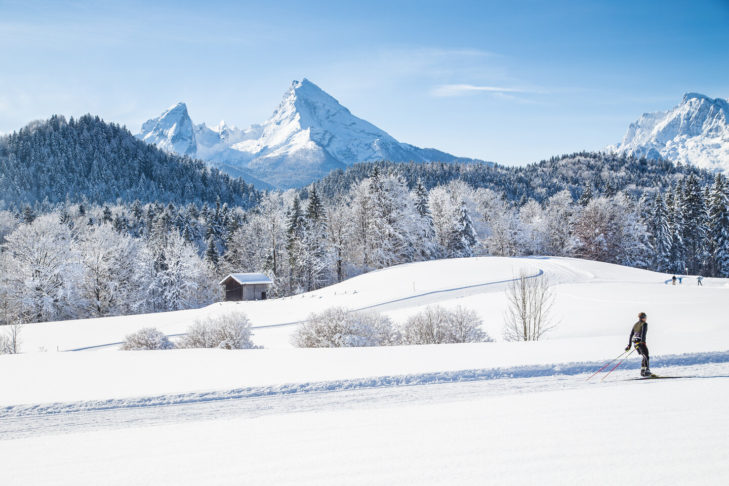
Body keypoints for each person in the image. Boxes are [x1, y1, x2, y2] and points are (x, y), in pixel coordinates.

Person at [626, 312, 651, 377]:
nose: (646, 318)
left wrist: (629, 345)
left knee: (644, 356)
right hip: (640, 342)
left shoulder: (635, 324)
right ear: (643, 318)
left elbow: (631, 335)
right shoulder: (644, 324)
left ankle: (643, 371)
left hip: (635, 343)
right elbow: (643, 333)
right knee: (646, 356)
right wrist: (643, 342)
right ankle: (647, 371)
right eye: (645, 317)